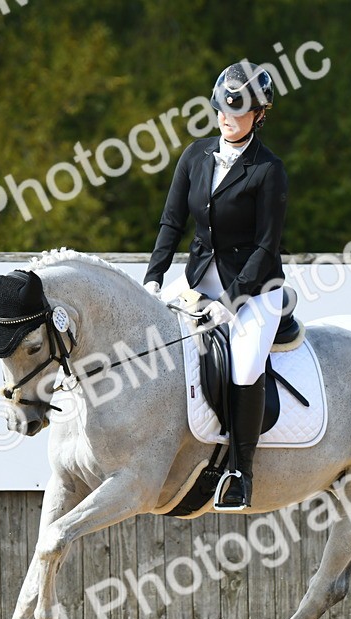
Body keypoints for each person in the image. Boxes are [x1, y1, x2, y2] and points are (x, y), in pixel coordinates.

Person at [143, 61, 289, 510]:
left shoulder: (268, 170)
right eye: (221, 109)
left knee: (244, 368)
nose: (227, 118)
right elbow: (172, 222)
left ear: (258, 115)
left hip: (255, 289)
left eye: (238, 112)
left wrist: (231, 301)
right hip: (196, 280)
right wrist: (154, 277)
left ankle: (241, 474)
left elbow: (266, 247)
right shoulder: (195, 155)